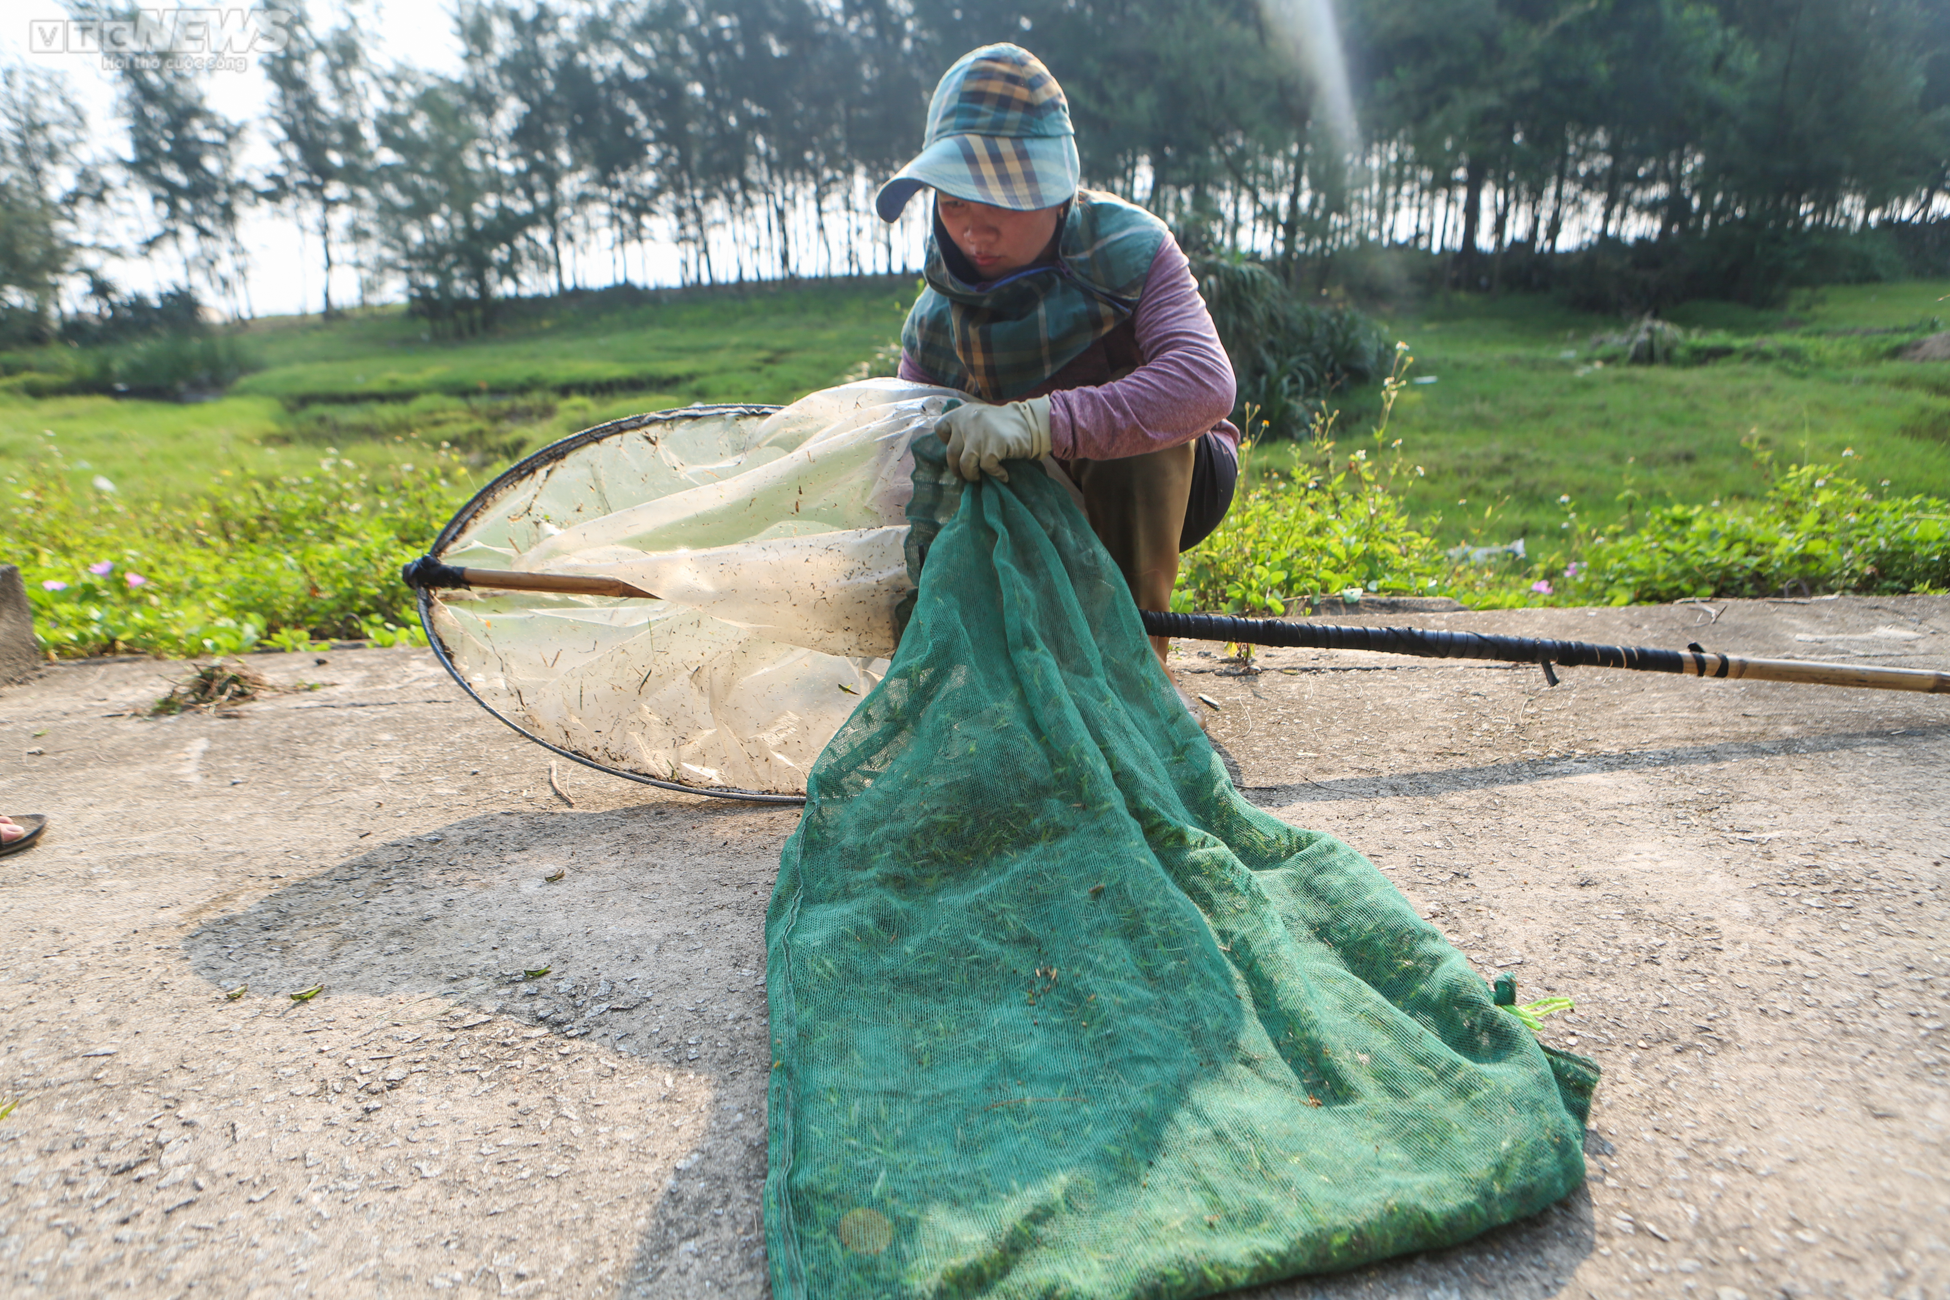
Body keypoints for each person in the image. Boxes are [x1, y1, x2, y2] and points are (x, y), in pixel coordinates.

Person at [876, 43, 1239, 670]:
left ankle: (1137, 676)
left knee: (1140, 451)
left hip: (1163, 483)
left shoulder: (1130, 249)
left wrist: (1035, 423)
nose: (973, 230)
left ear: (1053, 191)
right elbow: (897, 470)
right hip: (1033, 502)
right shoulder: (935, 321)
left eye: (998, 202)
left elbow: (1205, 383)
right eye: (955, 201)